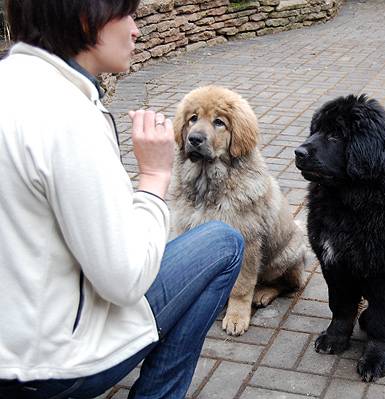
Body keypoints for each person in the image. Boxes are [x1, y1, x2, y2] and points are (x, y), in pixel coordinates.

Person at [0, 1, 244, 398]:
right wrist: (154, 175)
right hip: (47, 368)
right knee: (224, 243)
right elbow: (125, 280)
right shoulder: (68, 116)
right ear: (85, 18)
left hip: (14, 335)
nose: (136, 30)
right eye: (126, 15)